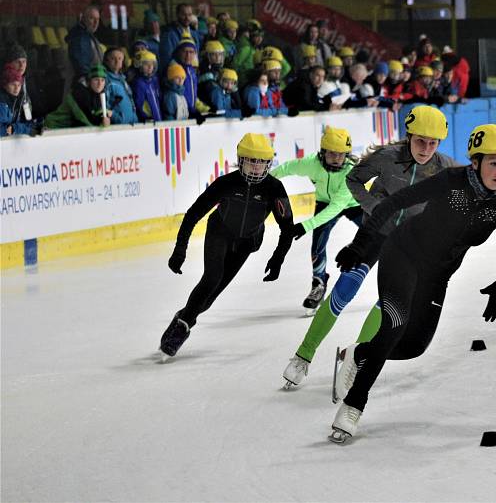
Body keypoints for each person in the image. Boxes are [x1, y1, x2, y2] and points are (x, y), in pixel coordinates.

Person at [328, 124, 496, 443]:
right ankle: (354, 406)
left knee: (413, 347)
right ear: (476, 162)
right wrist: (360, 245)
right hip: (403, 255)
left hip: (437, 275)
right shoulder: (451, 182)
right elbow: (391, 205)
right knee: (394, 324)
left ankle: (358, 354)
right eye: (494, 163)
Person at [280, 105, 459, 389]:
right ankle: (304, 354)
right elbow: (354, 179)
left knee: (386, 304)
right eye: (420, 141)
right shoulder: (386, 158)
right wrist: (376, 208)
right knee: (343, 290)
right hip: (374, 234)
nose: (426, 148)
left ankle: (353, 360)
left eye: (432, 143)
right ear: (409, 136)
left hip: (406, 246)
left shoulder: (445, 167)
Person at [159, 133, 295, 359]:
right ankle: (182, 327)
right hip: (219, 233)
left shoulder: (274, 188)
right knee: (211, 279)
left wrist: (278, 258)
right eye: (252, 161)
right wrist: (179, 249)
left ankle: (182, 316)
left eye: (262, 163)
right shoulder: (226, 183)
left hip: (247, 242)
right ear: (241, 161)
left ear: (269, 164)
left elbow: (287, 227)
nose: (256, 168)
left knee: (209, 299)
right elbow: (193, 215)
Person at [269, 127, 362, 324]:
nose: (337, 158)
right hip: (323, 203)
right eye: (332, 153)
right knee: (317, 246)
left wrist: (305, 225)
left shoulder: (351, 171)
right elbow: (286, 168)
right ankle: (318, 283)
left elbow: (337, 206)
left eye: (341, 154)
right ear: (322, 152)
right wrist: (267, 183)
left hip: (354, 204)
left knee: (379, 235)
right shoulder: (311, 164)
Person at [44, 64, 111, 129]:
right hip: (53, 127)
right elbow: (86, 119)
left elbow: (96, 111)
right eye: (96, 80)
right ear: (89, 81)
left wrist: (106, 113)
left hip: (68, 130)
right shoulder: (79, 95)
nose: (100, 84)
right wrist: (101, 121)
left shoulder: (96, 92)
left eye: (102, 80)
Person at [65, 4, 104, 84]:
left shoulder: (89, 36)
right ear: (83, 18)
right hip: (83, 88)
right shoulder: (80, 38)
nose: (96, 22)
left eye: (98, 19)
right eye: (92, 18)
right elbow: (82, 69)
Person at [158, 3, 200, 75]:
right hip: (177, 77)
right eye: (184, 15)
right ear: (177, 15)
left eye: (189, 15)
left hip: (192, 74)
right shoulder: (169, 34)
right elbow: (166, 60)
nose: (187, 18)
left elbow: (196, 54)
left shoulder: (194, 34)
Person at [103, 47, 137, 125]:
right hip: (118, 127)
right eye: (112, 58)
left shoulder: (123, 79)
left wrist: (134, 117)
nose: (117, 61)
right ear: (106, 61)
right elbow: (104, 106)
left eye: (119, 58)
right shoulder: (105, 80)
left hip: (132, 124)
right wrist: (117, 118)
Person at [0, 65, 37, 136]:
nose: (16, 88)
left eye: (19, 85)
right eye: (13, 84)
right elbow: (6, 130)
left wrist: (37, 128)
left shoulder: (21, 100)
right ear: (5, 85)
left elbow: (28, 122)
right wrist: (16, 129)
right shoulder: (2, 102)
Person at [131, 51, 162, 122]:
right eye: (146, 64)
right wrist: (146, 116)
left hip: (158, 118)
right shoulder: (138, 83)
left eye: (152, 64)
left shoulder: (155, 80)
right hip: (147, 121)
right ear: (139, 65)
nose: (150, 67)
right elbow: (139, 104)